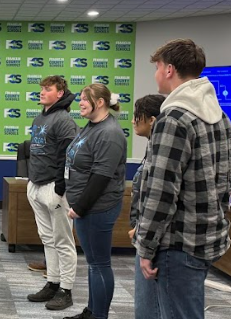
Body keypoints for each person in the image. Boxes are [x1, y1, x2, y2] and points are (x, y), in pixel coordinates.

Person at [135, 38, 231, 319]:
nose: (155, 74)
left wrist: (146, 245)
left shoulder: (173, 119)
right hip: (206, 239)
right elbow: (224, 183)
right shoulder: (221, 118)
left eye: (157, 67)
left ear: (168, 70)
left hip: (176, 244)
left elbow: (161, 192)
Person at [63, 84, 127, 319]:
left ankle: (99, 315)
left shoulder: (109, 133)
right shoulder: (91, 126)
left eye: (84, 99)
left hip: (97, 208)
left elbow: (101, 176)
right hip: (85, 206)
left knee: (99, 264)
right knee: (92, 263)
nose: (79, 103)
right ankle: (91, 311)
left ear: (100, 102)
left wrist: (80, 207)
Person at [25, 75, 78, 311]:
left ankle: (66, 289)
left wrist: (60, 184)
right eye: (41, 88)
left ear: (59, 93)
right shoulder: (40, 118)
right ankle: (52, 282)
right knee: (47, 238)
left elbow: (69, 154)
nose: (42, 92)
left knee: (63, 240)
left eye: (48, 89)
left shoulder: (64, 119)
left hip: (54, 188)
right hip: (35, 185)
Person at [128, 94, 165, 319]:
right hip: (144, 236)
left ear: (152, 120)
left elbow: (158, 197)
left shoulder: (161, 152)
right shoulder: (151, 148)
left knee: (149, 309)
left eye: (136, 116)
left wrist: (142, 230)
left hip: (151, 241)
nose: (133, 121)